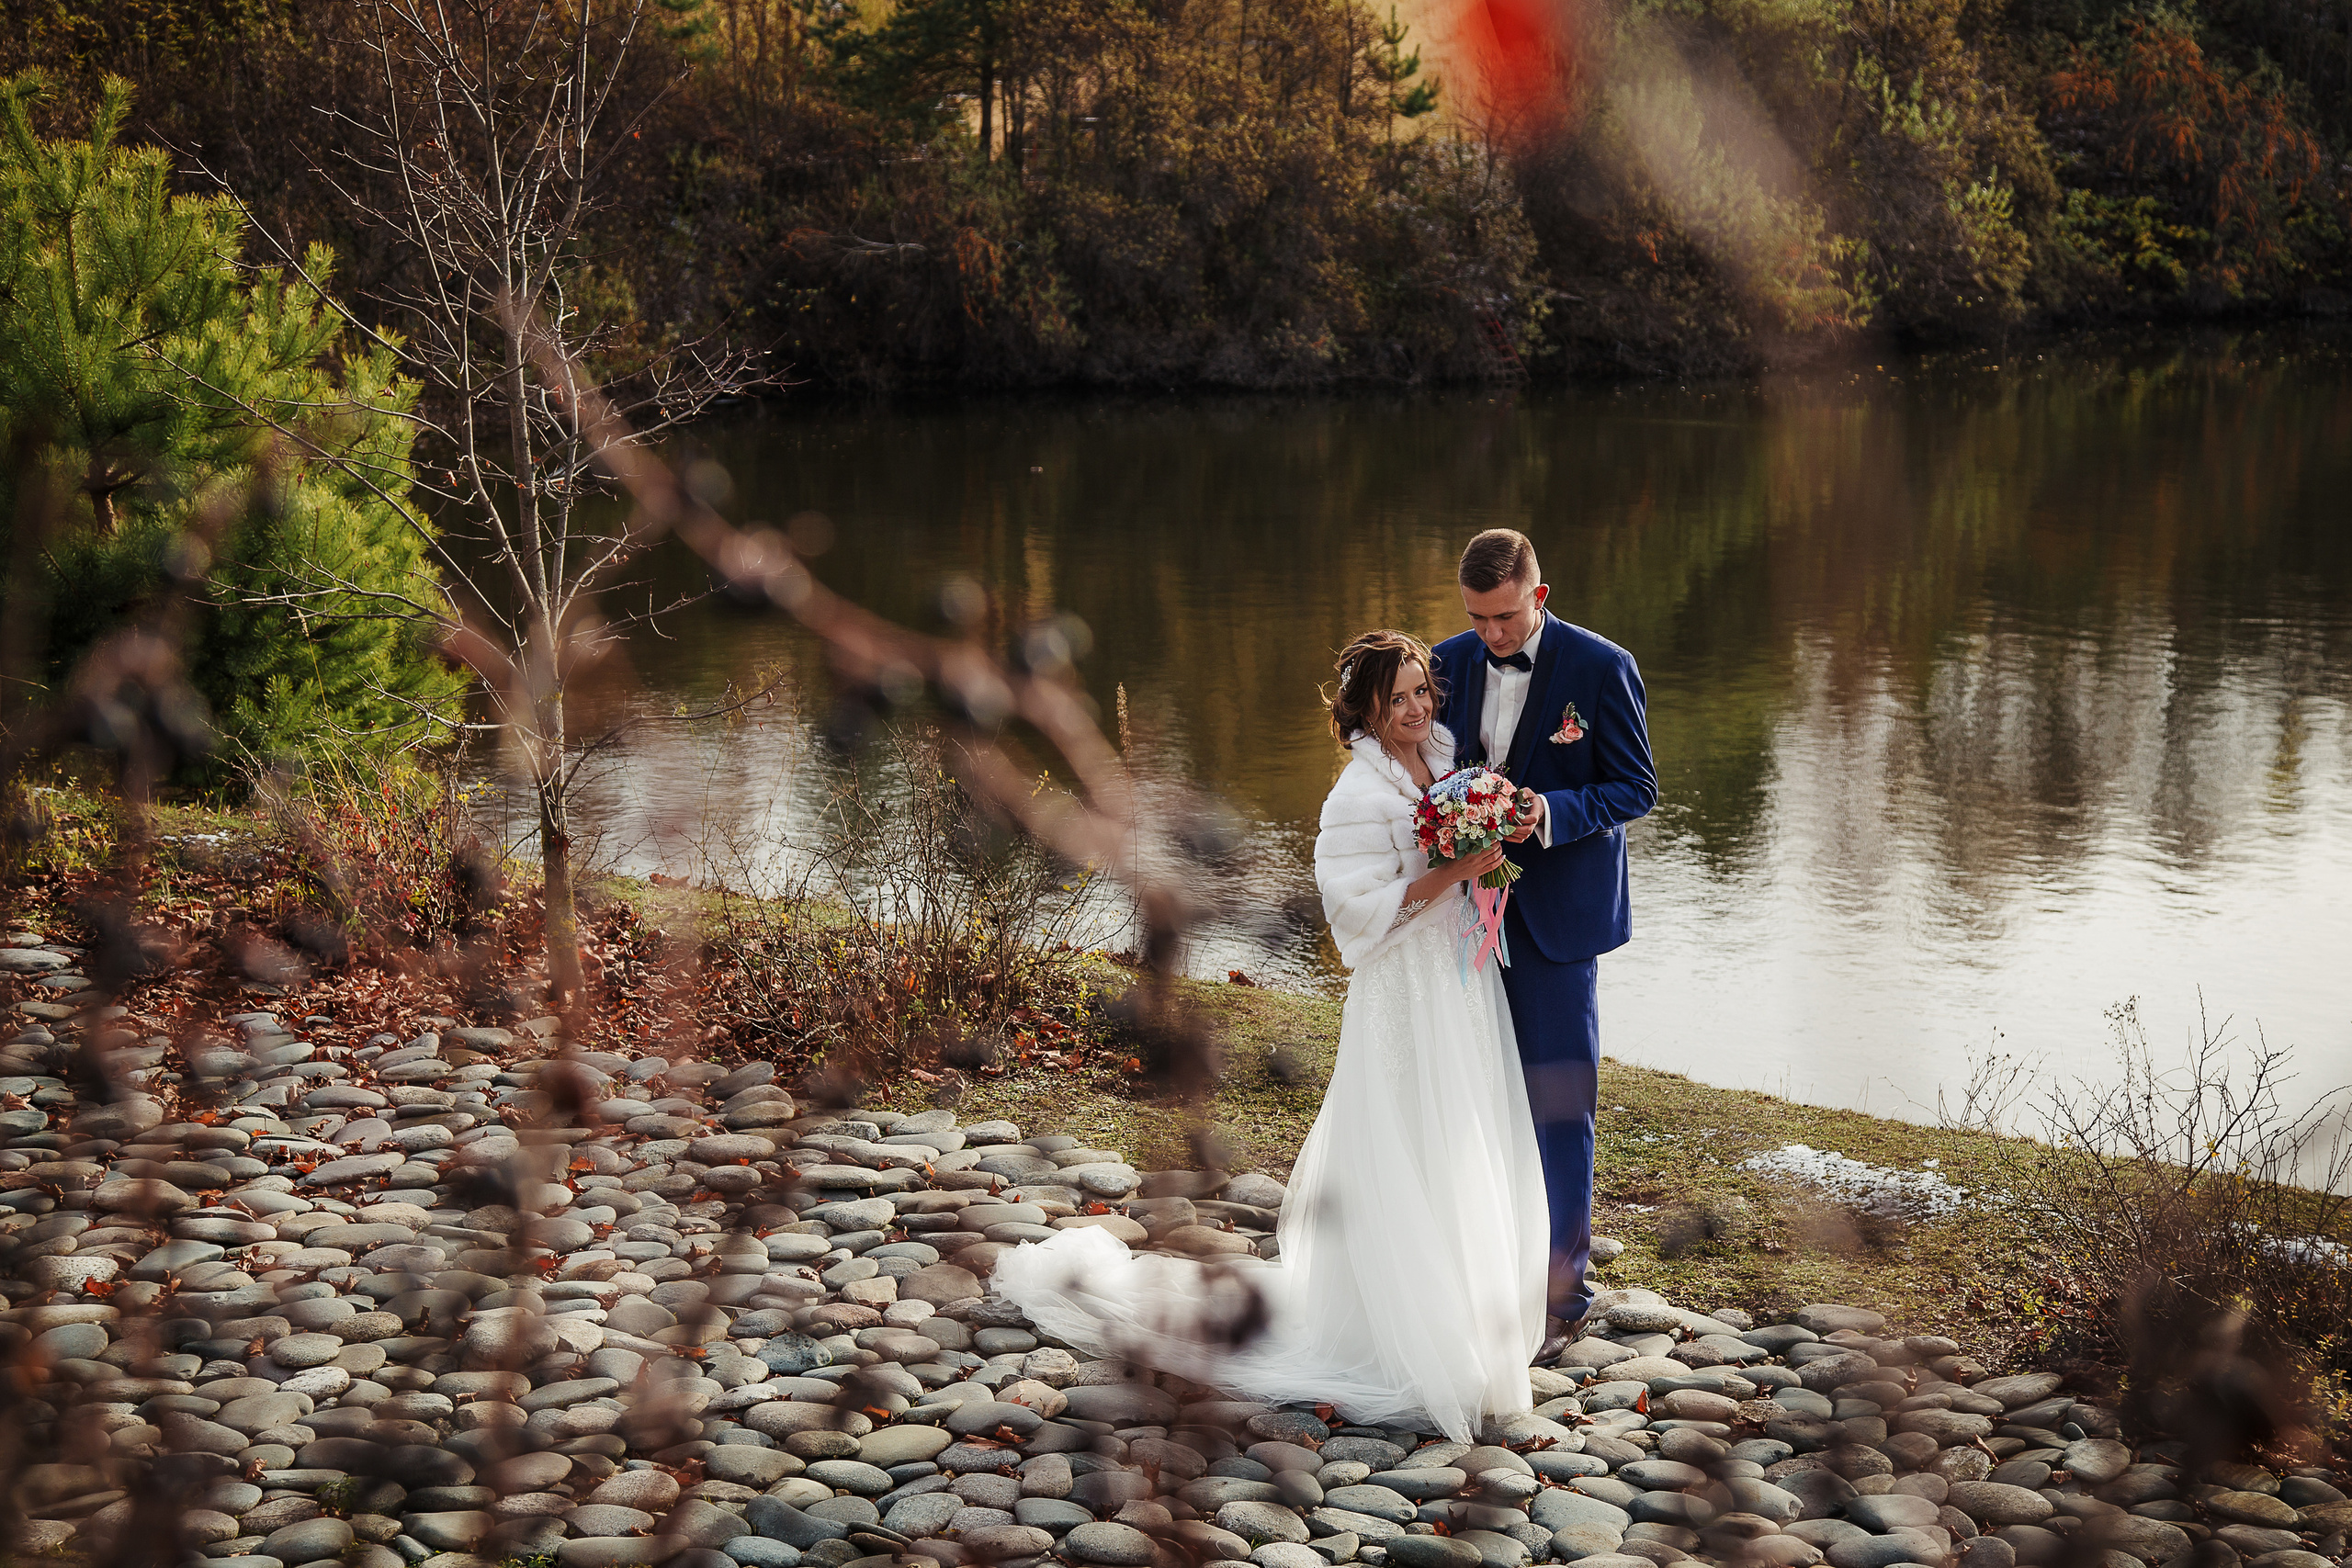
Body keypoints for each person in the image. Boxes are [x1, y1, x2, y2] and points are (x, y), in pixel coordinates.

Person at [990, 629, 1551, 1440]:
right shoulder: (1355, 799)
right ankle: (1400, 1335)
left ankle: (1471, 1322)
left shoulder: (1448, 758)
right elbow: (1355, 915)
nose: (1415, 708)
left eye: (1423, 691)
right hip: (1402, 990)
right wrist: (1454, 873)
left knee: (1463, 1133)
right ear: (1364, 708)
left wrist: (1484, 848)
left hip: (1459, 984)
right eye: (1397, 698)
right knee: (1405, 1138)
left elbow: (1460, 853)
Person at [1430, 528, 1657, 1329]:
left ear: (1540, 595)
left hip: (1559, 922)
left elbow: (1636, 786)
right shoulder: (1446, 661)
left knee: (1561, 1104)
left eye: (1504, 616)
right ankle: (1479, 1264)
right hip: (1459, 916)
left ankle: (1564, 1291)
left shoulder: (1602, 667)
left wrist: (1549, 811)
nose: (1490, 634)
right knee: (1471, 1093)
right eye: (1477, 617)